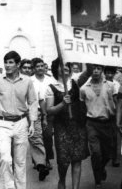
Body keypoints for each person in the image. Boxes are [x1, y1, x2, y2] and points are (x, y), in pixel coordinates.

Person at [0, 51, 38, 189]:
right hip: (3, 123)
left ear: (18, 65)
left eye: (11, 62)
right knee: (5, 158)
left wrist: (32, 123)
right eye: (6, 62)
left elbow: (33, 102)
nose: (7, 65)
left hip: (21, 122)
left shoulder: (27, 81)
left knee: (20, 162)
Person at [46, 59, 89, 189]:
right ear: (55, 69)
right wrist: (63, 104)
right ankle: (62, 180)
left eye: (67, 66)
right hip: (61, 127)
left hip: (77, 125)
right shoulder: (51, 87)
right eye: (61, 66)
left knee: (77, 159)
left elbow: (89, 73)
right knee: (63, 161)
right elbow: (49, 110)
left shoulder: (76, 82)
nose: (64, 68)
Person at [80, 64, 116, 189]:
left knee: (108, 153)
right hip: (92, 124)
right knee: (95, 152)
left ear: (102, 70)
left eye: (98, 68)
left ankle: (101, 168)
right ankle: (97, 180)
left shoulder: (111, 85)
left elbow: (117, 103)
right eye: (93, 68)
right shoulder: (84, 88)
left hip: (107, 123)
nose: (95, 71)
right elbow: (82, 106)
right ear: (90, 70)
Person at [20, 58, 50, 180]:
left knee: (36, 138)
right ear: (20, 68)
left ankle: (41, 165)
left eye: (29, 68)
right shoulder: (14, 81)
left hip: (34, 113)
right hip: (18, 116)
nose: (27, 70)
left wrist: (44, 116)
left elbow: (41, 99)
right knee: (18, 142)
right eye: (24, 68)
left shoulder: (34, 82)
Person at [31, 57, 56, 171]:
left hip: (49, 112)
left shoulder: (51, 80)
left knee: (47, 136)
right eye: (37, 66)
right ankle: (39, 161)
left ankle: (46, 159)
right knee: (36, 137)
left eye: (41, 65)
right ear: (34, 68)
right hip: (34, 112)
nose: (40, 68)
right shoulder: (30, 81)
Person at [104, 66, 121, 167]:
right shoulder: (100, 82)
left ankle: (115, 158)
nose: (109, 75)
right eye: (108, 73)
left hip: (113, 113)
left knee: (114, 137)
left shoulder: (116, 84)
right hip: (103, 112)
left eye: (112, 73)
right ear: (105, 73)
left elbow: (117, 100)